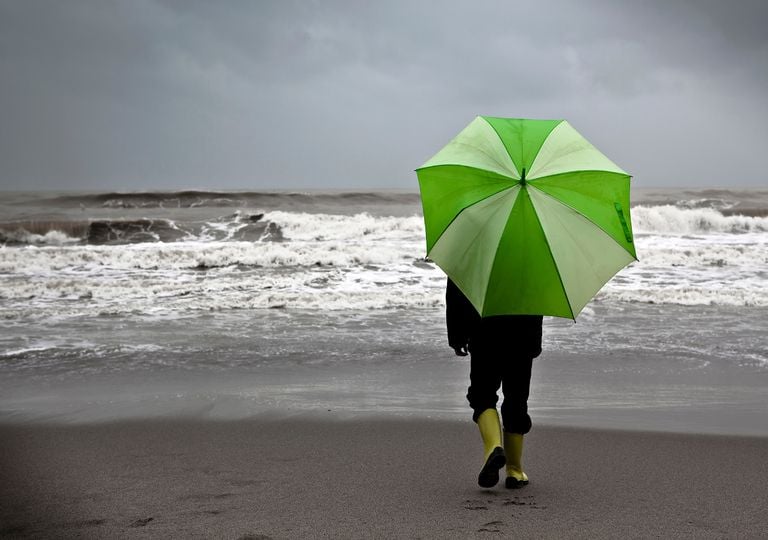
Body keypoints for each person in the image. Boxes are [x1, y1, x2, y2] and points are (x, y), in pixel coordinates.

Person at [446, 278, 543, 489]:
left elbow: (456, 290)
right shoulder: (534, 259)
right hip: (523, 335)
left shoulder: (473, 256)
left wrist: (456, 336)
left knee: (482, 395)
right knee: (517, 399)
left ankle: (493, 448)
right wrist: (535, 341)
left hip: (483, 332)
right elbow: (538, 295)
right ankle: (514, 471)